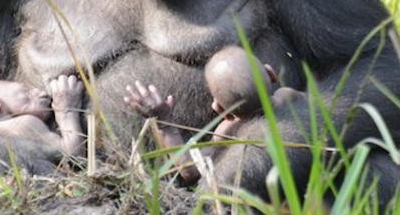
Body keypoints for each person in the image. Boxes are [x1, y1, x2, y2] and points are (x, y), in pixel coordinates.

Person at [125, 46, 304, 183]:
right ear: (271, 74)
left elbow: (190, 171)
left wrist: (165, 125)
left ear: (219, 109)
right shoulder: (287, 96)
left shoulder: (227, 130)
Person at [0, 75, 85, 157]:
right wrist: (66, 111)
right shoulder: (23, 124)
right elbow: (73, 154)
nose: (40, 92)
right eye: (27, 92)